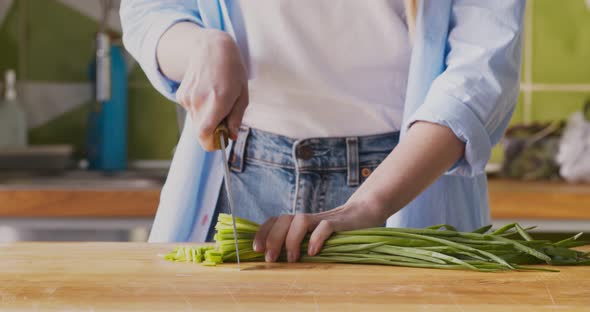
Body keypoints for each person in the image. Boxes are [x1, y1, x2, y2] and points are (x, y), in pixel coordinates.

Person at [121, 0, 524, 263]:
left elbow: (478, 74)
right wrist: (201, 47)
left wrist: (370, 204)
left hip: (404, 187)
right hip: (238, 177)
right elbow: (149, 10)